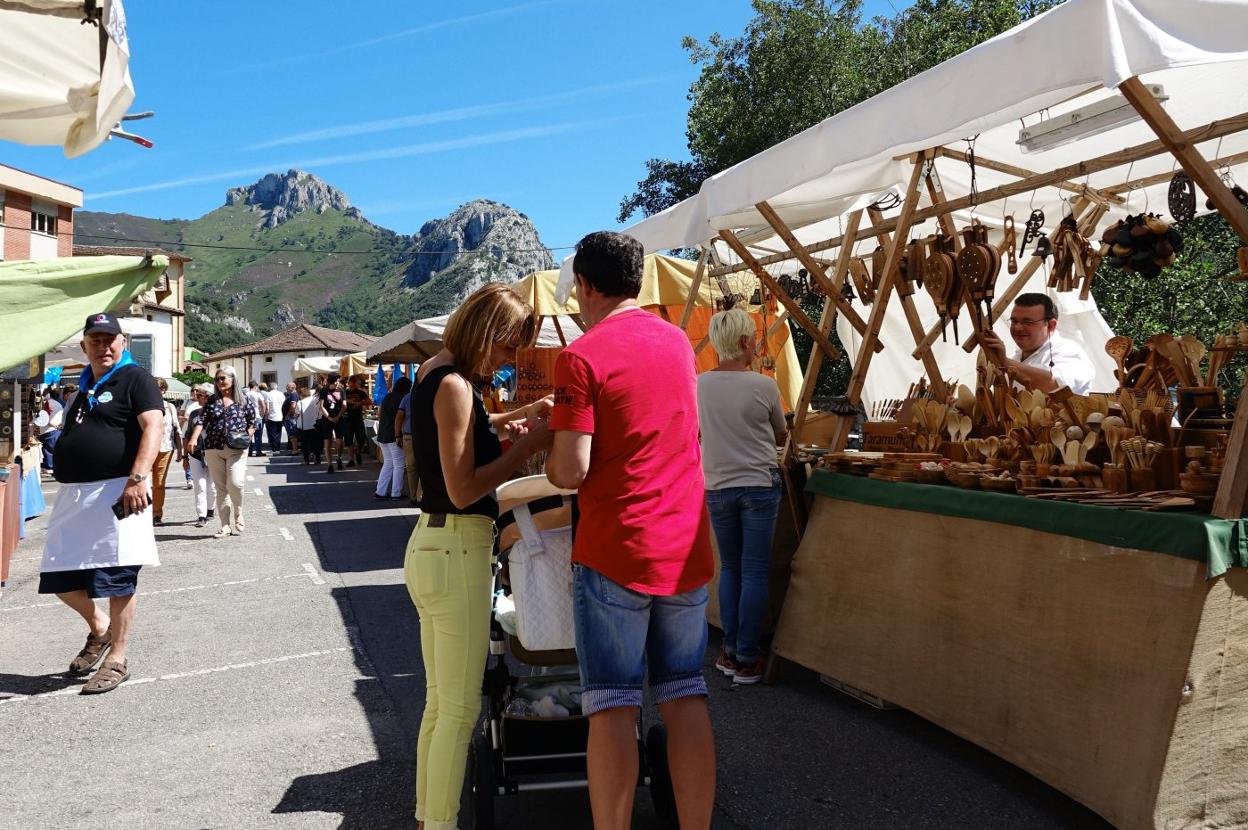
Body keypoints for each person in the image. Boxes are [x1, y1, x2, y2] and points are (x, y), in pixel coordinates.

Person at [546, 231, 716, 830]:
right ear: (638, 283)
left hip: (617, 548)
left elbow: (571, 470)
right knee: (684, 696)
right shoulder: (678, 345)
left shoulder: (581, 355)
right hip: (687, 546)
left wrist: (546, 446)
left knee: (612, 708)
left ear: (586, 287)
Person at [405, 282, 552, 830]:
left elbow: (457, 436)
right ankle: (437, 823)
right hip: (459, 544)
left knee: (440, 704)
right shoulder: (459, 387)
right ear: (485, 333)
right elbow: (465, 486)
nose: (510, 359)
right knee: (460, 709)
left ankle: (428, 818)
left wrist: (516, 417)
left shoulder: (435, 372)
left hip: (431, 543)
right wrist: (527, 446)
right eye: (508, 346)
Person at [40, 312, 163, 695]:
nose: (103, 346)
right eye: (95, 339)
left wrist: (138, 477)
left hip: (118, 492)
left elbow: (153, 426)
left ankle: (117, 658)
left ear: (122, 343)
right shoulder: (84, 383)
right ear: (84, 346)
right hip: (76, 497)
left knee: (118, 579)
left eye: (111, 339)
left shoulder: (135, 379)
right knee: (58, 576)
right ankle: (100, 629)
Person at [697, 308, 787, 685]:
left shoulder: (699, 384)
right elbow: (781, 436)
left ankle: (731, 651)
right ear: (746, 341)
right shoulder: (763, 385)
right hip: (758, 486)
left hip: (717, 487)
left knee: (730, 569)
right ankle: (747, 656)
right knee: (753, 571)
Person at [979, 293, 1096, 395]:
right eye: (1014, 321)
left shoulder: (1071, 352)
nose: (1017, 328)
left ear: (1051, 325)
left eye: (1027, 322)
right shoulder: (1015, 357)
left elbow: (1055, 387)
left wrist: (1005, 362)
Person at [190, 366, 256, 538]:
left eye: (222, 378)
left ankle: (238, 511)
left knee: (235, 483)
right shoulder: (212, 401)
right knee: (220, 489)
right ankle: (225, 525)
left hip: (237, 448)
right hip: (213, 448)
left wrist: (246, 435)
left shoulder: (244, 400)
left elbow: (252, 422)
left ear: (233, 379)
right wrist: (193, 438)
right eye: (217, 379)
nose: (219, 382)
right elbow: (201, 421)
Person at [151, 378, 184, 526]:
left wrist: (180, 450)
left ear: (164, 390)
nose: (156, 390)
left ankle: (156, 514)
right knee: (142, 482)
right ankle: (143, 513)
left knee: (158, 483)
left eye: (159, 388)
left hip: (165, 448)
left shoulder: (170, 407)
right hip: (145, 449)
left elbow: (176, 428)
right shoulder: (143, 404)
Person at [183, 384, 217, 527]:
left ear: (208, 397)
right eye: (197, 394)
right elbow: (188, 435)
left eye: (200, 394)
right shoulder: (194, 414)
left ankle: (211, 510)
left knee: (212, 486)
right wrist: (185, 457)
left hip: (213, 452)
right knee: (200, 485)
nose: (196, 396)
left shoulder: (218, 412)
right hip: (196, 454)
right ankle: (201, 516)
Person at [374, 376, 411, 499]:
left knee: (388, 464)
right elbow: (399, 418)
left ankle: (380, 491)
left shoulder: (387, 397)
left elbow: (379, 414)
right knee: (399, 465)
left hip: (383, 435)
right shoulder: (402, 398)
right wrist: (398, 435)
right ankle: (396, 493)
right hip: (394, 436)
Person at [396, 381, 419, 504]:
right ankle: (419, 496)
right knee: (422, 466)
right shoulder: (430, 395)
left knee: (411, 467)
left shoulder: (407, 397)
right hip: (422, 437)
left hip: (409, 436)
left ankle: (414, 496)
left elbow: (399, 416)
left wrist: (397, 435)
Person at [319, 376, 346, 473]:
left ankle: (339, 457)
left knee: (340, 441)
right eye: (337, 381)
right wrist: (329, 417)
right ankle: (330, 464)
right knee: (328, 442)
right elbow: (321, 407)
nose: (338, 382)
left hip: (339, 418)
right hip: (327, 419)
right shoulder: (324, 391)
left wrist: (338, 416)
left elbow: (344, 405)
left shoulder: (341, 390)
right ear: (332, 382)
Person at [343, 375, 370, 466]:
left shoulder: (361, 392)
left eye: (356, 382)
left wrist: (360, 403)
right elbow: (339, 401)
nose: (354, 384)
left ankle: (358, 452)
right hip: (347, 418)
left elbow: (369, 401)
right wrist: (349, 402)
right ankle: (351, 460)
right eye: (352, 382)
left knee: (361, 439)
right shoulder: (344, 392)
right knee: (349, 439)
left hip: (358, 418)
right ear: (349, 383)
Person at [37, 388, 64, 475]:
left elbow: (43, 417)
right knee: (52, 449)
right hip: (55, 429)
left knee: (47, 449)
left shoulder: (46, 403)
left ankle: (48, 467)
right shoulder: (58, 404)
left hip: (46, 429)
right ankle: (51, 467)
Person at [296, 385, 323, 465]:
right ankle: (317, 459)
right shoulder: (314, 400)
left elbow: (297, 413)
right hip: (315, 424)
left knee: (305, 444)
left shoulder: (300, 403)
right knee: (316, 443)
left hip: (304, 426)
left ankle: (306, 460)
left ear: (301, 394)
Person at [245, 380, 268, 457]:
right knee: (258, 435)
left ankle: (249, 451)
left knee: (249, 434)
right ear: (255, 387)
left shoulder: (245, 394)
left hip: (247, 417)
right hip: (257, 416)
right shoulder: (258, 394)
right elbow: (263, 405)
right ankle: (258, 451)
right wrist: (262, 414)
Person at [264, 381, 286, 455]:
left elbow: (267, 407)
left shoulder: (268, 394)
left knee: (272, 433)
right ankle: (277, 448)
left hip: (271, 416)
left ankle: (274, 448)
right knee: (278, 433)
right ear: (276, 387)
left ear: (269, 387)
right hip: (280, 416)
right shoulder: (281, 394)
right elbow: (284, 405)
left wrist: (266, 416)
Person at [282, 381, 301, 455]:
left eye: (288, 386)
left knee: (292, 434)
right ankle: (294, 449)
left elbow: (293, 406)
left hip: (291, 418)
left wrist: (288, 415)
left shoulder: (293, 394)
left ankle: (295, 450)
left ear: (292, 387)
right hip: (291, 417)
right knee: (292, 435)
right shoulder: (292, 394)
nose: (286, 388)